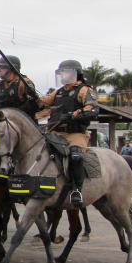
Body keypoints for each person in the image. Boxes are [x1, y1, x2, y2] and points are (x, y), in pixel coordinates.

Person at [37, 59, 99, 208]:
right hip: (55, 132)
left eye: (64, 72)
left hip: (75, 133)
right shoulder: (59, 91)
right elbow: (43, 103)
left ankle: (76, 190)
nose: (62, 75)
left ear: (74, 73)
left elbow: (92, 110)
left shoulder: (84, 90)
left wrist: (72, 115)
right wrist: (32, 95)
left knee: (75, 155)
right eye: (61, 72)